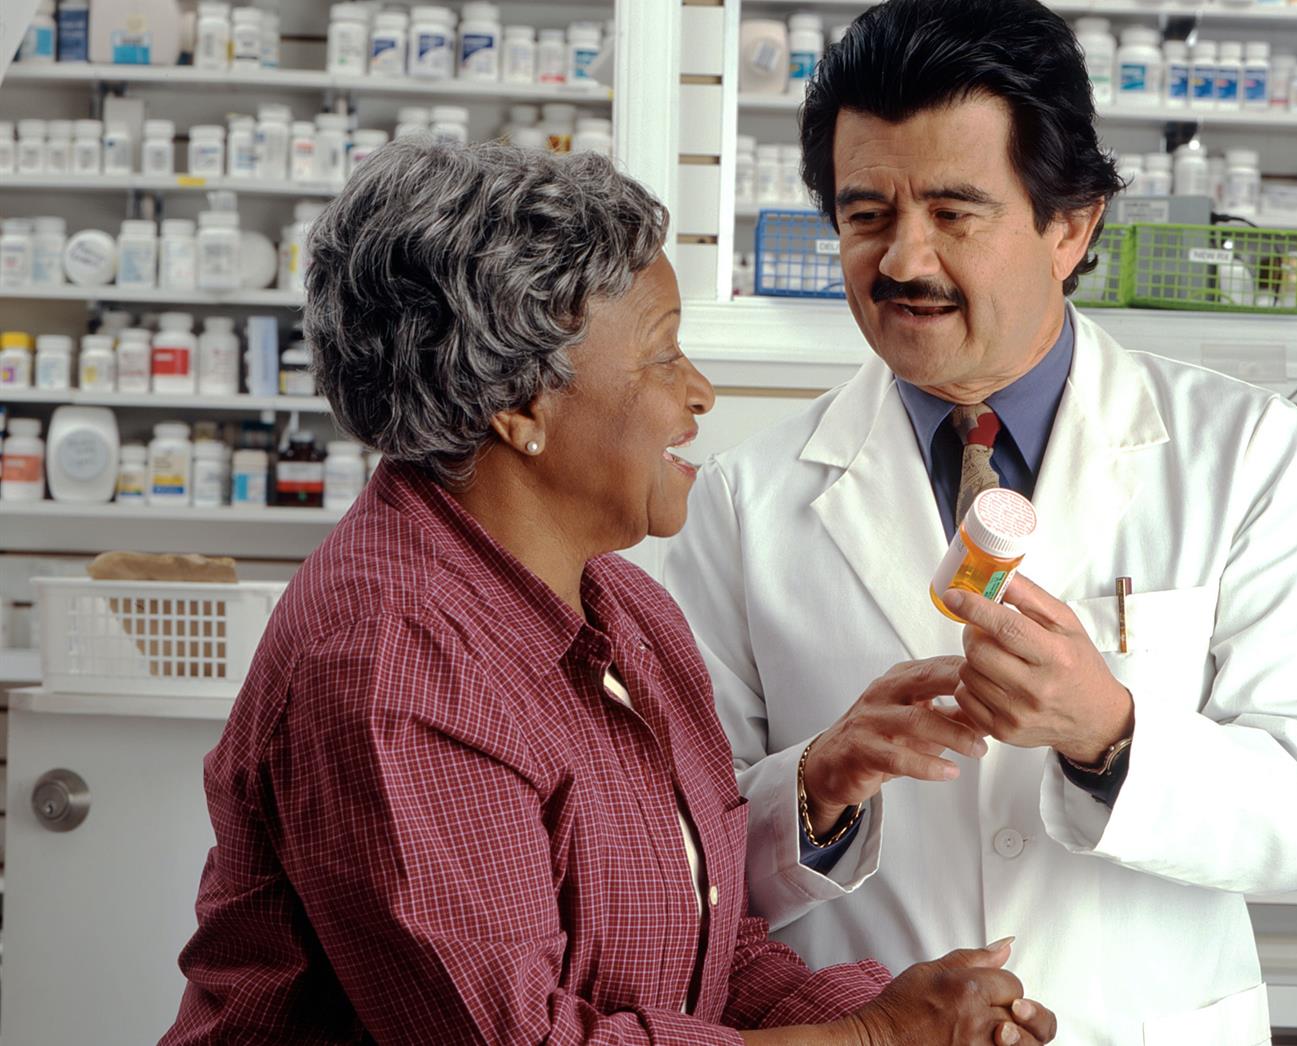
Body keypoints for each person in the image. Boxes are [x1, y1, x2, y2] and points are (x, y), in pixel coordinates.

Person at [160, 141, 1059, 1046]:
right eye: (662, 356)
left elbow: (711, 955)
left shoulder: (626, 611)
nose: (700, 392)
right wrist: (877, 1041)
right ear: (518, 406)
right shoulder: (394, 663)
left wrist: (894, 1014)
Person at [664, 1, 1297, 1043]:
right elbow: (677, 845)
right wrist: (817, 783)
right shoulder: (743, 496)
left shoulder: (1241, 452)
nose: (903, 260)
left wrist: (1108, 730)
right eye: (866, 215)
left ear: (1068, 225)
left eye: (954, 211)